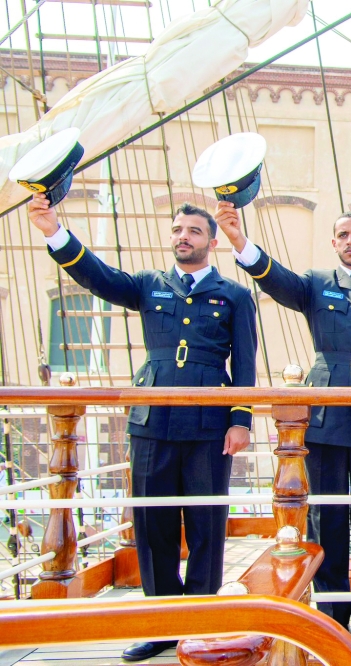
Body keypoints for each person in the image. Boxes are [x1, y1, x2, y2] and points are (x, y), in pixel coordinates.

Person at [27, 195, 257, 662]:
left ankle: (200, 621)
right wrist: (54, 230)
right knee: (153, 525)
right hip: (151, 421)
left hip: (208, 423)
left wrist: (240, 419)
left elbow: (246, 363)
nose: (182, 237)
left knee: (206, 526)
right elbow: (99, 278)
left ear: (211, 241)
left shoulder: (234, 296)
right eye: (177, 230)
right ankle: (162, 623)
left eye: (193, 231)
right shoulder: (149, 285)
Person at [217, 202, 351, 658]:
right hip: (323, 422)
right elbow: (273, 276)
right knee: (325, 521)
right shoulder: (314, 286)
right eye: (343, 235)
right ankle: (330, 618)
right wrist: (237, 240)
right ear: (334, 243)